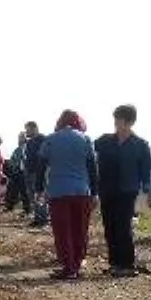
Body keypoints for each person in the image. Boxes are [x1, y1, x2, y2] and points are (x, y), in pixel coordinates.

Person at [93, 105, 151, 277]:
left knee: (123, 226)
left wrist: (149, 193)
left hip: (127, 191)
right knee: (109, 227)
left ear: (129, 122)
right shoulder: (104, 141)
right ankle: (114, 263)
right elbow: (88, 154)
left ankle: (127, 264)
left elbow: (145, 171)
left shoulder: (141, 145)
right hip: (106, 189)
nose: (116, 123)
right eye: (115, 119)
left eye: (119, 120)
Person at [37, 110, 98, 279]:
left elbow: (41, 167)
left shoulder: (50, 140)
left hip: (58, 191)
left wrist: (39, 190)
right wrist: (95, 193)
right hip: (82, 191)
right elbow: (93, 168)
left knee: (63, 231)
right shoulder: (86, 139)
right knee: (80, 229)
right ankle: (77, 265)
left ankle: (68, 267)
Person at [23, 121, 49, 227]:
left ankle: (42, 218)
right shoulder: (29, 142)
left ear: (34, 128)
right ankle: (37, 217)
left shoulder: (43, 139)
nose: (26, 132)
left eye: (27, 129)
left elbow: (44, 156)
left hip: (39, 172)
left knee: (40, 194)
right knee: (32, 195)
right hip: (30, 171)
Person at [4, 132, 30, 214]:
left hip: (24, 172)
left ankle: (27, 208)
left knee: (24, 191)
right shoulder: (18, 149)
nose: (20, 139)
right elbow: (13, 160)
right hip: (16, 172)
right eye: (19, 137)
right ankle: (9, 206)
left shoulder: (28, 148)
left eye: (21, 137)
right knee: (13, 190)